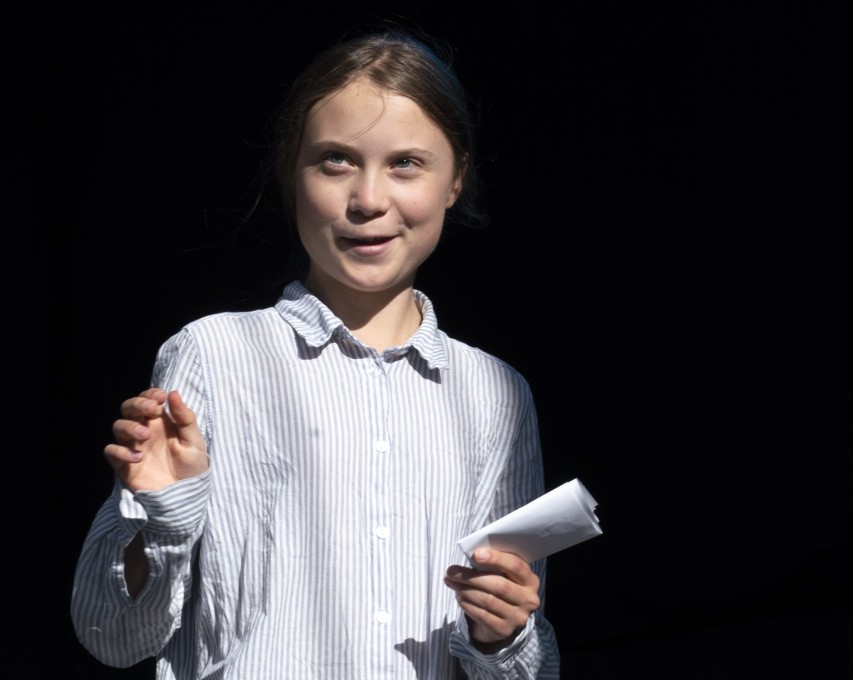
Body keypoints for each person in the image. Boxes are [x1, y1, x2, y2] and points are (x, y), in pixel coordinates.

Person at [71, 26, 561, 679]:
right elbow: (111, 635)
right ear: (292, 172)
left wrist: (502, 634)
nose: (369, 200)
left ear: (455, 179)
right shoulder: (215, 355)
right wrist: (163, 520)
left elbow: (525, 663)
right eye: (336, 160)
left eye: (406, 163)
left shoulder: (495, 394)